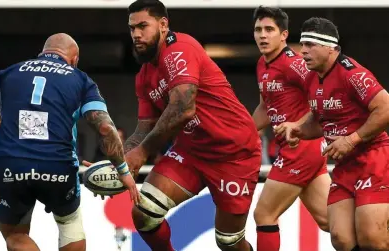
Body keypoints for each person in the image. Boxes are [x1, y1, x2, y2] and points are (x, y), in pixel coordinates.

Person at [107, 1, 259, 250]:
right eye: (132, 28)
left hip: (233, 153)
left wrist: (142, 152)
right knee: (143, 213)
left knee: (229, 242)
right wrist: (120, 164)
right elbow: (143, 129)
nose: (136, 34)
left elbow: (183, 109)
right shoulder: (144, 76)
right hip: (191, 152)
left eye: (143, 26)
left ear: (163, 25)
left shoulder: (180, 48)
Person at [0, 33, 139, 251]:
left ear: (42, 53)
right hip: (58, 165)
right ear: (74, 59)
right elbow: (106, 128)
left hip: (12, 164)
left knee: (15, 235)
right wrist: (123, 170)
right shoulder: (80, 79)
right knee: (69, 224)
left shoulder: (10, 72)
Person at [275, 17, 389, 251]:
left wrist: (351, 139)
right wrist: (297, 128)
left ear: (330, 48)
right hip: (344, 166)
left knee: (372, 239)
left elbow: (386, 107)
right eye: (302, 44)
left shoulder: (353, 74)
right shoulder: (311, 78)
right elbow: (320, 121)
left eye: (310, 45)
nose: (303, 50)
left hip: (373, 160)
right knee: (341, 238)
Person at [251, 7, 330, 251]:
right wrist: (240, 133)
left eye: (269, 30)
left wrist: (298, 125)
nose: (262, 35)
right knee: (330, 221)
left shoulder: (295, 64)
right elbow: (265, 108)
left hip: (301, 148)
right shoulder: (262, 65)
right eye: (258, 30)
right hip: (305, 152)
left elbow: (324, 96)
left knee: (264, 214)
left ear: (283, 35)